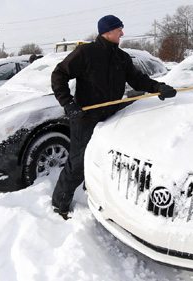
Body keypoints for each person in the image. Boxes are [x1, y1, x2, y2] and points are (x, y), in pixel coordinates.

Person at [51, 15, 177, 220]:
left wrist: (157, 87)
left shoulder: (121, 57)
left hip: (110, 117)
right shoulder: (86, 53)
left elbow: (137, 79)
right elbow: (59, 75)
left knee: (103, 160)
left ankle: (93, 192)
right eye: (119, 29)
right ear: (107, 31)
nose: (122, 33)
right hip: (84, 117)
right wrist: (68, 104)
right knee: (78, 163)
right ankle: (60, 205)